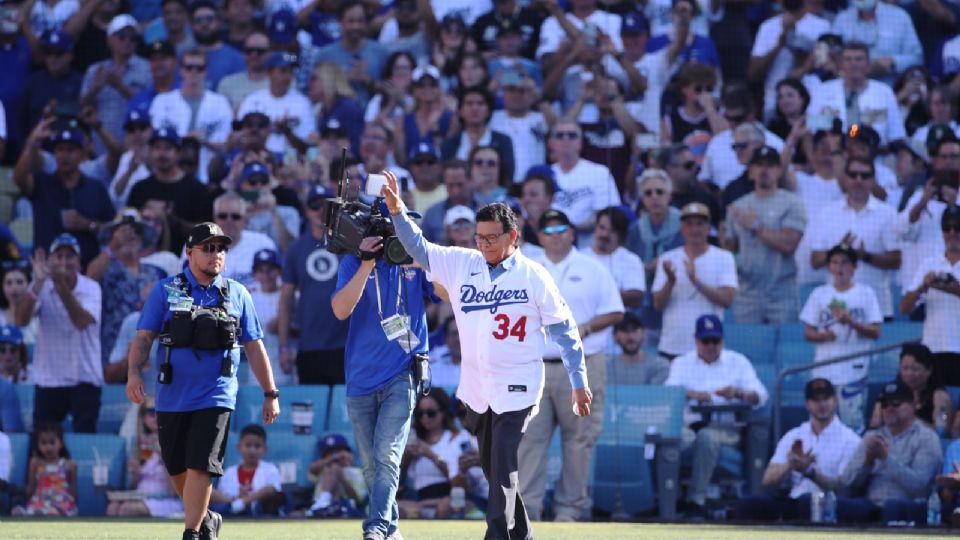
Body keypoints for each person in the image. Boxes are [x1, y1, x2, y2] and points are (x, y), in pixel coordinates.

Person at [383, 172, 592, 540]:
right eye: (480, 237)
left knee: (504, 463)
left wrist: (579, 382)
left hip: (519, 385)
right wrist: (398, 211)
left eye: (492, 238)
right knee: (494, 469)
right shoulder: (463, 262)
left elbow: (565, 331)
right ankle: (521, 535)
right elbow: (418, 248)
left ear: (513, 236)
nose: (484, 244)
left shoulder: (533, 275)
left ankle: (495, 536)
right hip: (477, 388)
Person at [126, 221, 281, 540]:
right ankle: (207, 516)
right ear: (189, 251)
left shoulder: (238, 293)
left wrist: (270, 392)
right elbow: (144, 337)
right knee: (177, 469)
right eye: (208, 248)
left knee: (201, 465)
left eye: (221, 248)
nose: (216, 254)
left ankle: (192, 533)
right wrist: (133, 373)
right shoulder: (167, 289)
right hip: (171, 396)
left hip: (217, 394)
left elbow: (254, 345)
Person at [330, 197, 439, 540]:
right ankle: (390, 529)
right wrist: (365, 263)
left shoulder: (415, 259)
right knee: (369, 463)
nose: (397, 233)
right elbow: (340, 310)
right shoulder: (352, 261)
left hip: (403, 371)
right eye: (391, 225)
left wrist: (427, 261)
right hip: (361, 375)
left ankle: (375, 528)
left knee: (388, 454)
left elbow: (447, 294)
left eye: (403, 224)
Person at [520, 209, 624, 522]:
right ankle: (527, 514)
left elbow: (615, 311)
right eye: (547, 231)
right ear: (540, 237)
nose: (554, 235)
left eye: (560, 229)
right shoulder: (527, 267)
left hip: (582, 363)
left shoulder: (593, 268)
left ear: (571, 233)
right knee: (528, 441)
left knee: (579, 440)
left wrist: (586, 328)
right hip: (535, 364)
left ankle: (569, 512)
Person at [665, 314, 769, 516]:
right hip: (689, 427)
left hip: (726, 429)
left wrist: (738, 393)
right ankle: (670, 496)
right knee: (668, 437)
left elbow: (761, 396)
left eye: (715, 340)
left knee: (707, 437)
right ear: (696, 340)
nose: (711, 346)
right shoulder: (682, 363)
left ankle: (695, 500)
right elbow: (669, 393)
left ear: (723, 340)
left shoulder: (737, 362)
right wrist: (691, 393)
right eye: (706, 341)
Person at [734, 378, 861, 522]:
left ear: (835, 401)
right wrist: (790, 465)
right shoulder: (794, 435)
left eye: (826, 398)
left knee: (806, 501)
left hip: (829, 506)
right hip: (793, 501)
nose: (822, 404)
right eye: (816, 400)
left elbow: (844, 488)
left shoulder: (850, 440)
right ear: (807, 404)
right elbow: (767, 480)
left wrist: (809, 472)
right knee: (748, 504)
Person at [16, 234, 101, 433]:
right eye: (59, 256)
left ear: (79, 262)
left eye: (69, 257)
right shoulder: (40, 286)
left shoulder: (92, 288)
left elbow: (81, 321)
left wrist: (58, 284)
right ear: (50, 261)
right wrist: (36, 284)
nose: (64, 262)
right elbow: (20, 320)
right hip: (49, 380)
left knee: (85, 441)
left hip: (85, 378)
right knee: (41, 443)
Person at [800, 243, 882, 432]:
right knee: (820, 425)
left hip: (854, 370)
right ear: (829, 266)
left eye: (845, 263)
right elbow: (808, 333)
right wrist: (826, 335)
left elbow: (876, 332)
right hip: (824, 369)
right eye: (835, 262)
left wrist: (852, 323)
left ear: (854, 267)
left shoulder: (866, 293)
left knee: (852, 425)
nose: (839, 268)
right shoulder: (819, 294)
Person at [13, 123, 116, 269]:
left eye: (70, 150)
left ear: (81, 154)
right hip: (47, 274)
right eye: (59, 150)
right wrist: (32, 143)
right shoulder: (42, 183)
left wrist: (89, 225)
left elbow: (112, 229)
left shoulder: (96, 187)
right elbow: (19, 178)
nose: (64, 155)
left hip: (86, 275)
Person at [809, 156, 901, 319]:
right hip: (835, 307)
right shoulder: (827, 213)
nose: (858, 180)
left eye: (864, 176)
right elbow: (815, 261)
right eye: (853, 175)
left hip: (876, 307)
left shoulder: (887, 214)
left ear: (873, 180)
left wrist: (865, 256)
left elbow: (895, 261)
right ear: (845, 179)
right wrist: (840, 251)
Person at [839, 379, 942, 524]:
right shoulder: (872, 436)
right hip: (871, 504)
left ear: (913, 405)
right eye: (885, 404)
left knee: (892, 506)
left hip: (908, 507)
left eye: (896, 403)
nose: (889, 408)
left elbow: (920, 486)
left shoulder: (927, 438)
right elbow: (847, 484)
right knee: (839, 504)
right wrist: (867, 462)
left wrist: (886, 459)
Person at [723, 146, 807, 324]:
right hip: (748, 295)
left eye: (770, 166)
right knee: (748, 348)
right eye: (759, 165)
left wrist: (755, 226)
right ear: (751, 171)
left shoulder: (792, 203)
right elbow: (731, 250)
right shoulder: (738, 206)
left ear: (778, 170)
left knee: (786, 346)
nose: (764, 170)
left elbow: (789, 245)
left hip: (781, 294)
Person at [279, 185, 349, 386]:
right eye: (314, 206)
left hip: (347, 346)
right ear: (306, 211)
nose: (321, 211)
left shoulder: (353, 247)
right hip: (309, 346)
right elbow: (285, 301)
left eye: (326, 205)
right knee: (311, 414)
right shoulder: (296, 250)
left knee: (346, 413)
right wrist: (284, 347)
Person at [652, 203, 737, 361]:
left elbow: (727, 299)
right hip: (673, 346)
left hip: (708, 347)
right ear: (682, 228)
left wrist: (695, 281)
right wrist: (670, 282)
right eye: (689, 224)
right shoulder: (667, 258)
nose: (694, 230)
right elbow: (657, 304)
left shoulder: (724, 258)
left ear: (708, 228)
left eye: (699, 224)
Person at [148, 48, 233, 184]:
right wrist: (188, 139)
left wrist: (203, 141)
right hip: (168, 174)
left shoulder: (220, 103)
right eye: (189, 67)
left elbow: (225, 146)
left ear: (206, 72)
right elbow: (157, 140)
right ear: (181, 70)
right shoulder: (162, 102)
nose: (194, 72)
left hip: (208, 174)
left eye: (199, 68)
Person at [900, 207, 960, 386]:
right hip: (933, 349)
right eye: (947, 228)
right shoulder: (929, 264)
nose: (952, 233)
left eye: (958, 228)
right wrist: (922, 287)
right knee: (937, 408)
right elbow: (904, 308)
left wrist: (947, 286)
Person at [806, 42, 906, 146]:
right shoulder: (823, 90)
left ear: (868, 63)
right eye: (848, 59)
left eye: (858, 59)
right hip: (832, 155)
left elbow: (897, 135)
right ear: (841, 64)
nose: (853, 64)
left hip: (876, 156)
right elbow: (811, 128)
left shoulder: (884, 92)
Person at [398, 388, 471, 519]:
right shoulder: (414, 440)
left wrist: (431, 455)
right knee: (395, 508)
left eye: (431, 413)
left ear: (443, 413)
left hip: (450, 497)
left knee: (445, 506)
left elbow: (462, 479)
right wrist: (407, 457)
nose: (425, 418)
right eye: (420, 413)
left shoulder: (459, 438)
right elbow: (400, 481)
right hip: (419, 499)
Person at [548, 120, 621, 245]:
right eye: (560, 135)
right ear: (552, 143)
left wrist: (570, 228)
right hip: (552, 246)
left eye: (572, 135)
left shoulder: (599, 172)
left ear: (580, 142)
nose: (566, 139)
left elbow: (608, 215)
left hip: (590, 247)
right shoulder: (545, 174)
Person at [107, 401, 183, 518]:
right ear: (143, 418)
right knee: (112, 508)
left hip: (167, 500)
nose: (156, 417)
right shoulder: (140, 445)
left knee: (126, 509)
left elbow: (174, 491)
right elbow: (133, 487)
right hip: (141, 496)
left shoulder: (174, 443)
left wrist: (164, 458)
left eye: (160, 412)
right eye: (150, 412)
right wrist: (136, 474)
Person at [868, 344, 952, 432]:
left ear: (929, 370)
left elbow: (941, 430)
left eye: (915, 369)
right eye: (905, 368)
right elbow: (875, 424)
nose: (909, 374)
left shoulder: (941, 398)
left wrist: (909, 418)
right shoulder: (889, 392)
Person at [209, 424, 285, 517]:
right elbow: (224, 495)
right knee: (208, 491)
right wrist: (236, 498)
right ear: (239, 447)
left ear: (264, 449)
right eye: (248, 445)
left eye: (257, 446)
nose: (252, 450)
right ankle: (238, 505)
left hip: (260, 510)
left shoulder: (271, 469)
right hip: (231, 506)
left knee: (269, 489)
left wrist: (247, 499)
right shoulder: (229, 472)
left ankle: (242, 504)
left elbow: (273, 491)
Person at [11, 422, 77, 517]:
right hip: (40, 501)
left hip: (61, 503)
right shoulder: (36, 463)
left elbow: (73, 490)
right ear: (38, 444)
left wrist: (73, 508)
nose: (48, 447)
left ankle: (47, 513)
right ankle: (29, 512)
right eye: (43, 443)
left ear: (61, 443)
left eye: (52, 442)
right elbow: (31, 488)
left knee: (53, 512)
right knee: (31, 510)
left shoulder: (69, 464)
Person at [587, 207, 646, 310]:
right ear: (595, 228)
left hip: (620, 322)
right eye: (602, 228)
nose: (605, 234)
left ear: (621, 235)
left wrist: (593, 294)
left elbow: (636, 297)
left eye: (612, 231)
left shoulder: (631, 260)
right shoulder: (580, 257)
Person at [306, 433, 366, 518]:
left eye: (340, 451)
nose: (338, 457)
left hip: (347, 509)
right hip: (319, 510)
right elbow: (312, 468)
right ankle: (323, 501)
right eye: (330, 453)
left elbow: (359, 501)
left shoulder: (358, 472)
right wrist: (334, 458)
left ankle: (324, 500)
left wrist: (341, 478)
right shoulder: (323, 469)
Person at [608, 313, 670, 385]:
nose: (630, 337)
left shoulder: (659, 366)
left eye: (634, 330)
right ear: (614, 336)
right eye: (624, 331)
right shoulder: (607, 369)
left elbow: (655, 395)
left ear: (643, 333)